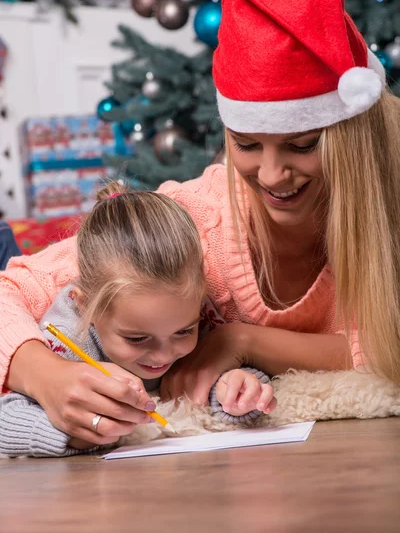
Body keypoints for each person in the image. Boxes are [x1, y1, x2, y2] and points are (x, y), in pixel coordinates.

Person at [1, 0, 400, 446]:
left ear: (349, 141)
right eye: (247, 145)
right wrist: (44, 375)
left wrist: (242, 340)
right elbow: (12, 288)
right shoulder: (199, 219)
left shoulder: (388, 210)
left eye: (302, 146)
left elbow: (388, 345)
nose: (272, 175)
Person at [0, 183, 274, 457]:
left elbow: (219, 379)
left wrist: (239, 391)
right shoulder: (67, 342)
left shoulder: (194, 312)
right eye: (137, 338)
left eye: (183, 332)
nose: (164, 355)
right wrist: (72, 434)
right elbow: (6, 418)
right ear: (87, 308)